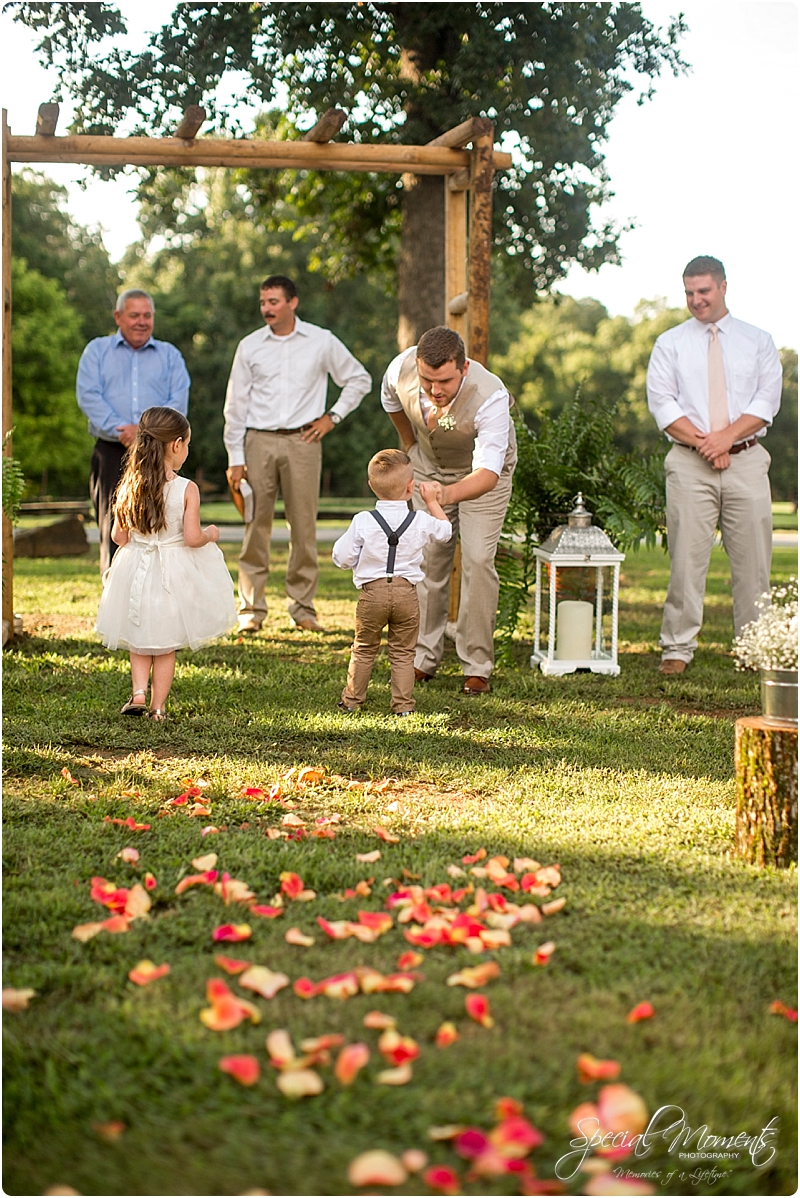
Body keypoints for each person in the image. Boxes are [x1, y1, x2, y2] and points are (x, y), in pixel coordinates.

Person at [646, 255, 782, 675]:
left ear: (723, 287)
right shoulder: (669, 343)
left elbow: (766, 401)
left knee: (754, 562)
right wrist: (708, 443)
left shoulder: (758, 340)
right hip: (689, 464)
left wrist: (727, 437)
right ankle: (677, 648)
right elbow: (662, 404)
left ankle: (755, 649)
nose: (696, 300)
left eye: (703, 291)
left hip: (746, 461)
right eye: (689, 292)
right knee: (686, 560)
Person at [223, 275, 372, 633]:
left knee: (303, 526)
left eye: (273, 301)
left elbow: (359, 379)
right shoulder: (250, 346)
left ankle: (303, 608)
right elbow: (235, 403)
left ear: (293, 302)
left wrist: (331, 417)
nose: (266, 309)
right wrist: (234, 455)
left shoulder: (321, 341)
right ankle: (250, 611)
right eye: (263, 302)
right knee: (254, 525)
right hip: (258, 441)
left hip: (304, 442)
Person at [380, 326, 517, 694]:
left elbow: (487, 474)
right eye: (427, 380)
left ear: (464, 367)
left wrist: (445, 494)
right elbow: (391, 400)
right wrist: (410, 447)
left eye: (444, 382)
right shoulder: (401, 368)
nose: (434, 390)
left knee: (476, 560)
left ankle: (476, 665)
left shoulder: (490, 396)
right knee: (426, 558)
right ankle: (423, 657)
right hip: (428, 466)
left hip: (481, 479)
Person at [96, 407, 236, 720]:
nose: (186, 450)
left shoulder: (129, 485)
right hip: (170, 573)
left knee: (139, 637)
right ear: (175, 445)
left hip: (136, 569)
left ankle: (138, 693)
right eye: (187, 444)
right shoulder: (187, 488)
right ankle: (158, 708)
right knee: (165, 644)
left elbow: (119, 537)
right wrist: (211, 533)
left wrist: (141, 540)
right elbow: (191, 538)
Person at [77, 289, 190, 572]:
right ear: (118, 317)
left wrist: (143, 434)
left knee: (166, 527)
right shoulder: (97, 351)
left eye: (147, 315)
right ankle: (114, 594)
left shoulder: (170, 356)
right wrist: (123, 431)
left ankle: (158, 596)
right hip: (112, 452)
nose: (141, 321)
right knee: (114, 529)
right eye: (134, 315)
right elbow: (89, 395)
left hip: (162, 455)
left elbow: (178, 401)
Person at [332, 449, 452, 715]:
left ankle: (352, 701)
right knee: (403, 652)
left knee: (363, 649)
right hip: (407, 595)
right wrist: (432, 501)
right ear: (411, 488)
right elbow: (445, 532)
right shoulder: (420, 520)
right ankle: (403, 706)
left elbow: (341, 557)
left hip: (372, 595)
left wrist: (358, 562)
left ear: (371, 486)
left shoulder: (363, 521)